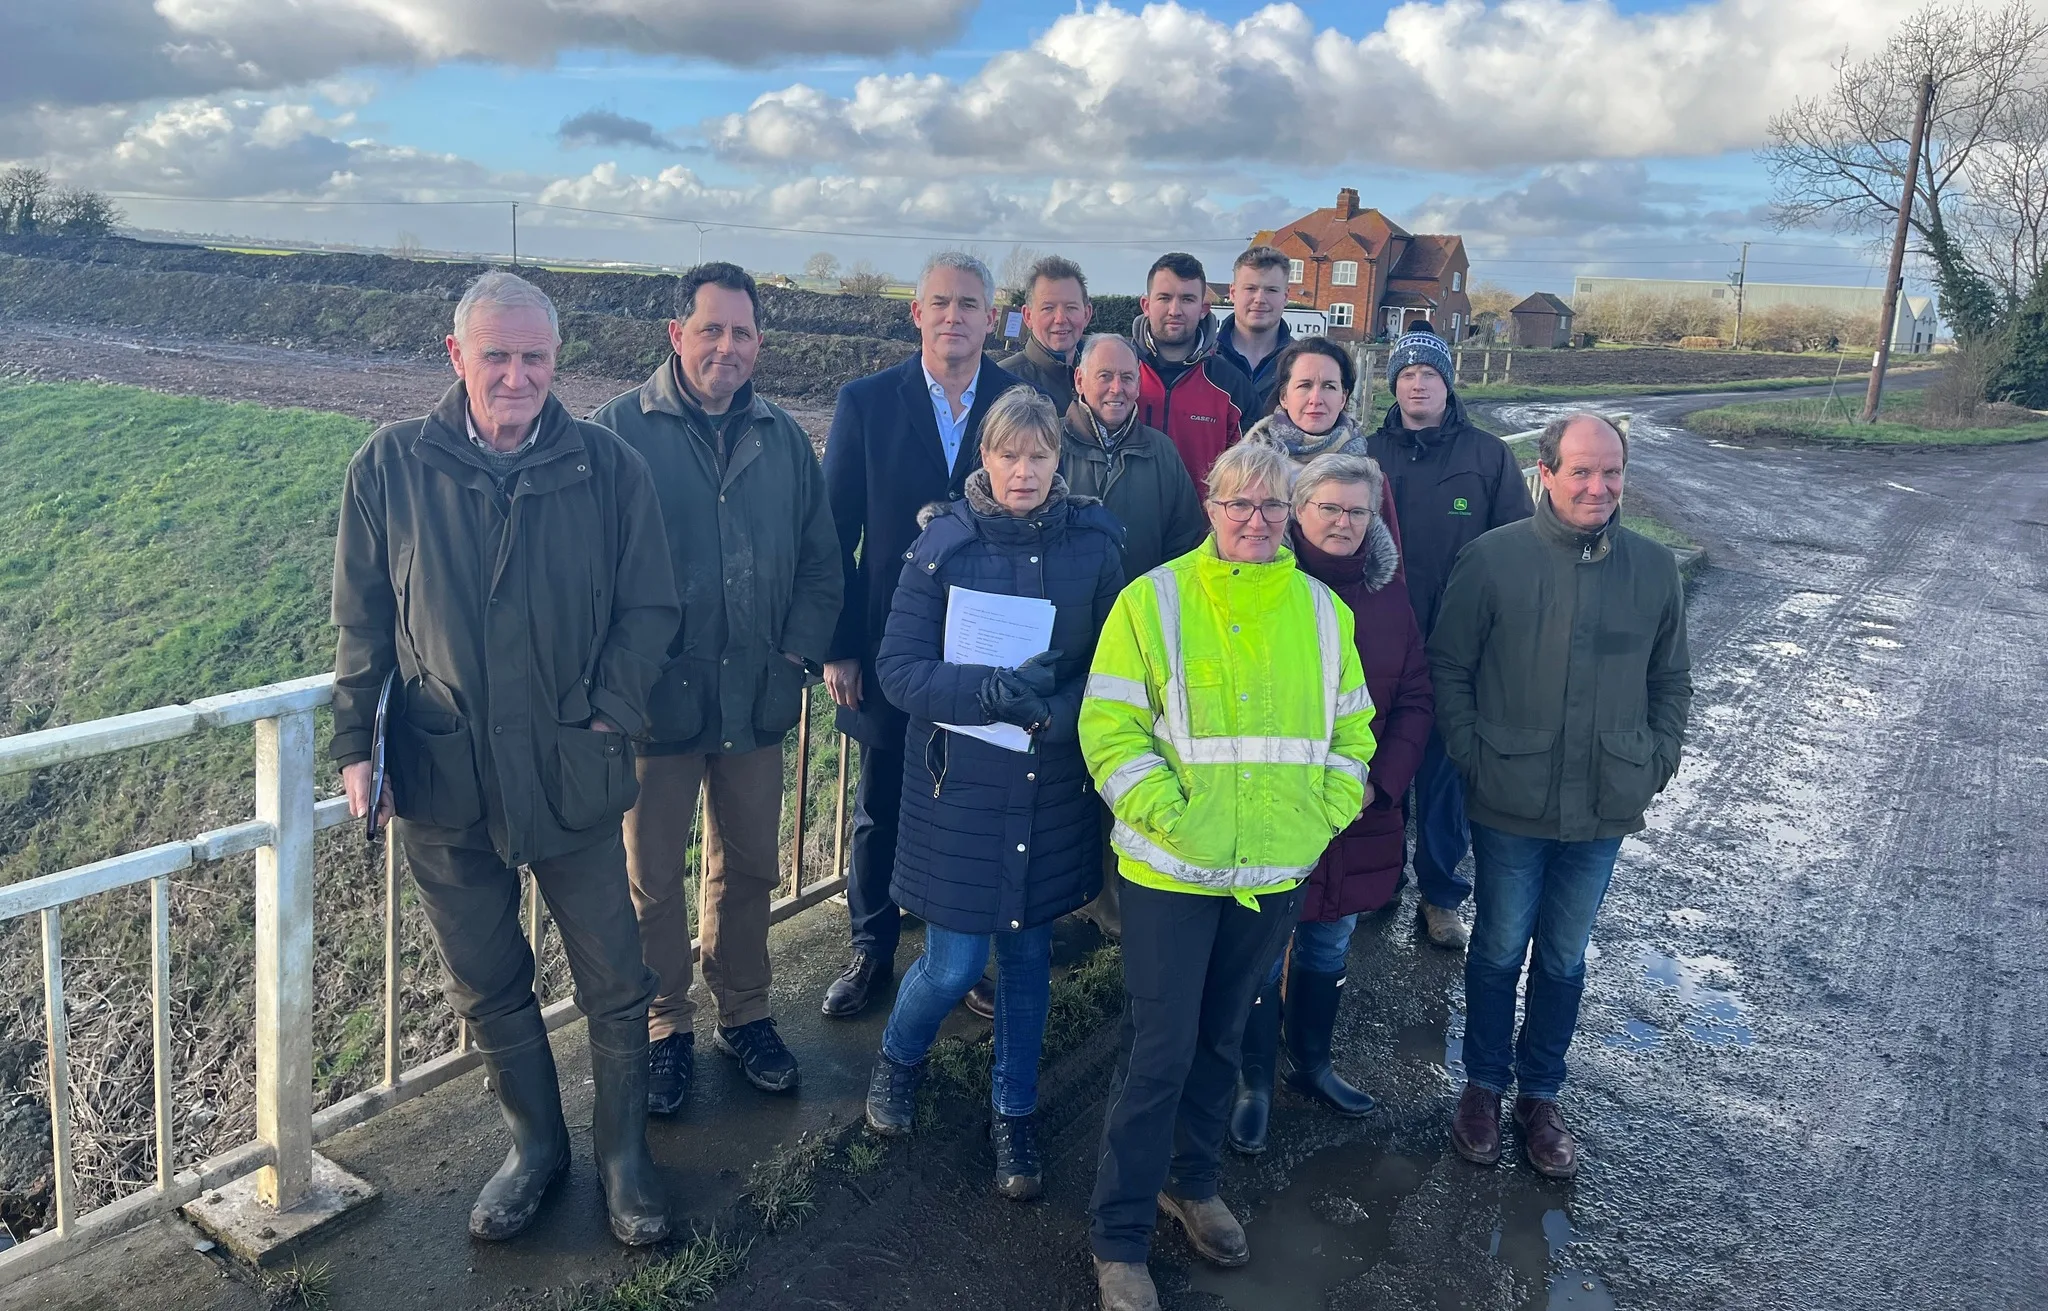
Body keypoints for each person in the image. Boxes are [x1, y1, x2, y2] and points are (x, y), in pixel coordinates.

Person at [332, 271, 679, 1246]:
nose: (517, 376)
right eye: (497, 356)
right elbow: (361, 622)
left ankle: (624, 1157)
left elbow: (648, 610)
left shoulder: (608, 469)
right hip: (444, 776)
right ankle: (535, 1149)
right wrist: (356, 742)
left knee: (616, 978)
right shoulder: (389, 466)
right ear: (457, 357)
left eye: (534, 358)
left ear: (555, 361)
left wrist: (608, 715)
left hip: (571, 772)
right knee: (487, 981)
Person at [1080, 440, 1378, 1311]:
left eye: (1273, 506)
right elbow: (1110, 729)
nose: (1255, 520)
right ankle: (1119, 1234)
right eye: (1238, 504)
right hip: (1173, 871)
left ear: (1294, 514)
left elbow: (1352, 733)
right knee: (1160, 1047)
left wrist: (1320, 815)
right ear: (1209, 506)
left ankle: (1193, 1181)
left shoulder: (1322, 612)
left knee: (1224, 1033)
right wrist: (1178, 820)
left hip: (1270, 870)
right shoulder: (1154, 599)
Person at [860, 388, 1126, 1201]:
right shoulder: (942, 549)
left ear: (1059, 461)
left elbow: (1117, 658)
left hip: (1051, 785)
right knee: (952, 962)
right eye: (1009, 454)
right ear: (986, 457)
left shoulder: (1096, 542)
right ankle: (898, 1059)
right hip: (961, 790)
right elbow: (899, 670)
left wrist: (1059, 707)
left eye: (1039, 456)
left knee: (1029, 960)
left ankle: (1015, 1107)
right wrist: (986, 692)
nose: (1024, 470)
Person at [591, 262, 842, 1111]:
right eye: (711, 330)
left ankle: (745, 1011)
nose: (727, 347)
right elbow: (588, 571)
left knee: (750, 866)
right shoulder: (619, 431)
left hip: (754, 698)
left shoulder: (783, 439)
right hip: (654, 706)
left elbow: (820, 560)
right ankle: (667, 1025)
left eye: (742, 333)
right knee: (651, 875)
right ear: (676, 334)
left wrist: (795, 660)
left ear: (758, 342)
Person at [1428, 412, 1691, 1180]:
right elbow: (1450, 667)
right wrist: (1473, 755)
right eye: (1580, 470)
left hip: (1605, 801)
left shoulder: (1654, 568)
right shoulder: (1492, 559)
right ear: (1544, 472)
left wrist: (1655, 761)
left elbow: (1670, 678)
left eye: (1611, 472)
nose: (1598, 486)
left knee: (1566, 957)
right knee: (1500, 947)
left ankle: (1540, 1096)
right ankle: (1482, 1084)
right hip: (1510, 797)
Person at [820, 251, 1024, 1018]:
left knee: (970, 799)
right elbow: (834, 531)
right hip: (886, 640)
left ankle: (961, 953)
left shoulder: (1017, 397)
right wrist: (839, 643)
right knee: (879, 799)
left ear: (993, 318)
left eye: (969, 304)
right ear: (916, 311)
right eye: (940, 302)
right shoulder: (866, 402)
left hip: (985, 645)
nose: (953, 317)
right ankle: (871, 945)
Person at [1227, 453, 1433, 1156]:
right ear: (1298, 510)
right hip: (1278, 806)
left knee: (1328, 938)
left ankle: (1311, 1064)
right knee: (1264, 949)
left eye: (1356, 511)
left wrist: (1383, 781)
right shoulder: (1264, 584)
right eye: (1328, 509)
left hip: (1360, 807)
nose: (1343, 522)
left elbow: (1414, 697)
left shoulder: (1390, 596)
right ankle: (1254, 1081)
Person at [1365, 328, 1533, 950]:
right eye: (1405, 374)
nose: (1416, 383)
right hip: (1380, 643)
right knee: (1381, 768)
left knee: (1442, 780)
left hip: (1457, 647)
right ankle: (1377, 883)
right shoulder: (1368, 453)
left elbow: (1519, 549)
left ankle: (1439, 896)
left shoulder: (1487, 457)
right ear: (1393, 384)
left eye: (1428, 374)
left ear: (1446, 383)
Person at [1049, 332, 1209, 947]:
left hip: (1138, 648)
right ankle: (1068, 903)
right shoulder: (1049, 447)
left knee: (1126, 772)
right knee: (1064, 776)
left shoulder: (1160, 454)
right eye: (1104, 377)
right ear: (1080, 382)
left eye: (1126, 378)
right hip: (1061, 643)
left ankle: (1116, 911)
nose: (1117, 389)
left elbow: (1183, 549)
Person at [1132, 251, 1260, 492]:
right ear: (1146, 305)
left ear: (1203, 308)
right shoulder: (1119, 374)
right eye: (1164, 298)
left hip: (1203, 528)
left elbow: (1250, 478)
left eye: (1187, 299)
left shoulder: (1232, 387)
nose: (1175, 310)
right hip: (1125, 527)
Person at [1000, 254, 1094, 413]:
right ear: (1028, 316)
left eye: (1071, 307)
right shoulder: (1002, 383)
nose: (1060, 319)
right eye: (1048, 308)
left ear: (1087, 314)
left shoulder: (1103, 378)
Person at [1214, 245, 1294, 410]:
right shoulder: (1203, 358)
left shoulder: (1300, 362)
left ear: (1285, 296)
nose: (1260, 299)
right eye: (1250, 288)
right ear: (1233, 293)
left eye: (1271, 290)